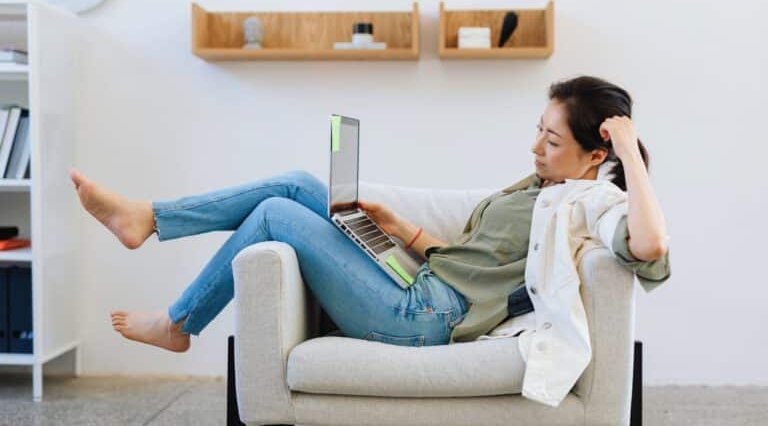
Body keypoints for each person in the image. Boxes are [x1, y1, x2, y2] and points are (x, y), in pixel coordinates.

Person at [68, 75, 670, 353]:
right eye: (537, 131)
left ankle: (180, 323)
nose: (536, 147)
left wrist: (629, 158)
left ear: (595, 154)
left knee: (277, 213)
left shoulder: (595, 202)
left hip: (423, 319)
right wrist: (394, 228)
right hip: (420, 284)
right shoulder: (536, 186)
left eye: (552, 141)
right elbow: (466, 261)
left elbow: (649, 247)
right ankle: (148, 217)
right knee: (298, 182)